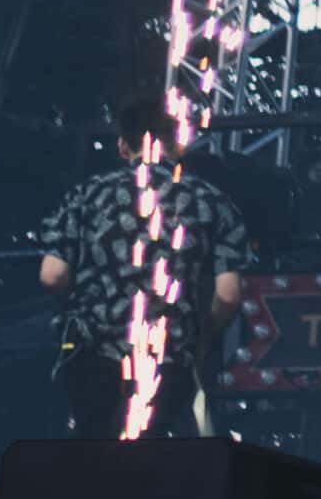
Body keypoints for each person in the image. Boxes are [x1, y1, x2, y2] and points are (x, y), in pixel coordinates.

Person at [38, 91, 251, 439]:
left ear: (124, 146)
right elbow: (228, 295)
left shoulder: (87, 195)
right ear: (177, 146)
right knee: (150, 457)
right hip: (169, 357)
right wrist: (200, 341)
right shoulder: (210, 201)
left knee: (90, 456)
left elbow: (52, 275)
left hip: (94, 353)